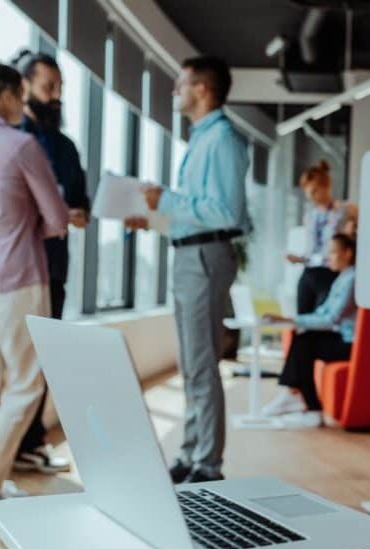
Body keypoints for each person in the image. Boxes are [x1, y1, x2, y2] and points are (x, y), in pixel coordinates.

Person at [0, 59, 69, 523]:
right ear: (4, 97)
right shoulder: (22, 145)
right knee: (25, 384)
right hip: (17, 276)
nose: (24, 102)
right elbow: (57, 220)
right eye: (20, 94)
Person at [127, 56, 250, 485]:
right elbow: (199, 212)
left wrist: (169, 201)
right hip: (189, 254)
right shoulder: (202, 139)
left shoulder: (222, 140)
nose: (174, 91)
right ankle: (191, 451)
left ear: (201, 89)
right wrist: (157, 217)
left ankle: (207, 465)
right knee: (191, 362)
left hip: (204, 258)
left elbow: (225, 212)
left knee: (201, 362)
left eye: (180, 84)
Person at [11, 49, 89, 475]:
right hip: (16, 267)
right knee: (11, 359)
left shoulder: (65, 147)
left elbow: (82, 203)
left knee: (41, 355)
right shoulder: (11, 139)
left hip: (54, 265)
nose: (56, 94)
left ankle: (31, 442)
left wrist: (75, 213)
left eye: (59, 87)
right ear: (24, 87)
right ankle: (3, 448)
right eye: (49, 86)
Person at [263, 234, 357, 428]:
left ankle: (304, 403)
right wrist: (295, 321)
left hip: (350, 343)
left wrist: (291, 319)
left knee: (305, 343)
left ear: (348, 253)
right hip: (339, 336)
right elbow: (324, 312)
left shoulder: (352, 279)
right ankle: (295, 396)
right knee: (303, 337)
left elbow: (331, 319)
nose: (328, 257)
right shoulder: (343, 277)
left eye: (333, 252)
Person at [286, 160, 358, 314]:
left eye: (314, 192)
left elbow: (355, 241)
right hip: (310, 271)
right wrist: (298, 259)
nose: (311, 197)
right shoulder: (310, 216)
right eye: (308, 194)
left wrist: (350, 234)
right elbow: (311, 248)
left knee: (323, 319)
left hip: (331, 272)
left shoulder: (346, 210)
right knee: (303, 319)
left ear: (326, 187)